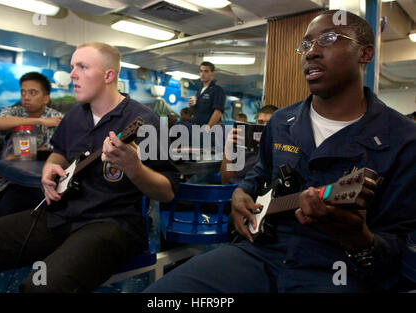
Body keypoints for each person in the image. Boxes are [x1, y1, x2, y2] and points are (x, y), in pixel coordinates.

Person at [144, 10, 416, 293]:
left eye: (329, 38)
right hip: (263, 254)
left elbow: (399, 252)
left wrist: (359, 238)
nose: (311, 52)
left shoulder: (403, 139)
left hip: (338, 270)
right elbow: (261, 173)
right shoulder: (281, 121)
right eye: (306, 44)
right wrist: (240, 193)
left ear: (365, 53)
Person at [0, 42, 180, 293]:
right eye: (72, 67)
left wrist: (134, 168)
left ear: (108, 75)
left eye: (82, 67)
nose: (72, 74)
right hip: (61, 214)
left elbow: (167, 192)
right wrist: (50, 167)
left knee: (41, 286)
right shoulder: (74, 116)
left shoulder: (146, 121)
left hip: (112, 224)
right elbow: (59, 153)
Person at [0, 72, 62, 225]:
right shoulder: (15, 112)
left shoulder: (57, 118)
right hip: (2, 178)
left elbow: (54, 152)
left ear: (46, 98)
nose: (26, 97)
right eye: (23, 92)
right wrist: (40, 121)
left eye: (32, 92)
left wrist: (12, 161)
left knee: (7, 215)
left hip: (32, 182)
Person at [220, 105, 278, 184]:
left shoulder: (279, 150)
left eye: (269, 123)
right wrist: (228, 150)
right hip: (233, 189)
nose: (264, 126)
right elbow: (225, 181)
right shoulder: (241, 145)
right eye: (260, 122)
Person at [189, 61, 225, 129]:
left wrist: (208, 128)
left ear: (212, 73)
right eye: (201, 71)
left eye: (206, 71)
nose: (202, 74)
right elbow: (195, 112)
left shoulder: (217, 90)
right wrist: (191, 106)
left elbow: (218, 112)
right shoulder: (199, 92)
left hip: (208, 130)